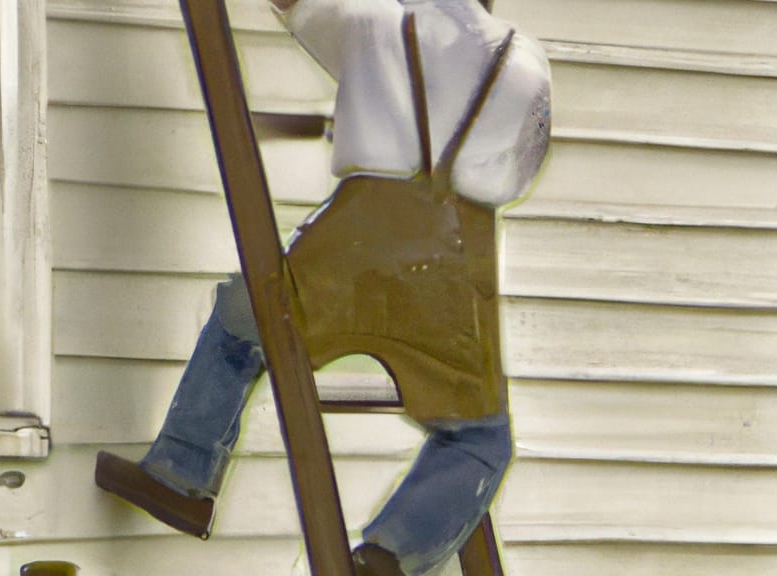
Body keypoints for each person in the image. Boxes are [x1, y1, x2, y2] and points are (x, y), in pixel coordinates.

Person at [97, 1, 550, 574]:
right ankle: (390, 555)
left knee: (246, 320)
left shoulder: (375, 23)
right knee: (480, 436)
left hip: (355, 240)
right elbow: (518, 171)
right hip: (456, 257)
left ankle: (182, 473)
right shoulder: (525, 59)